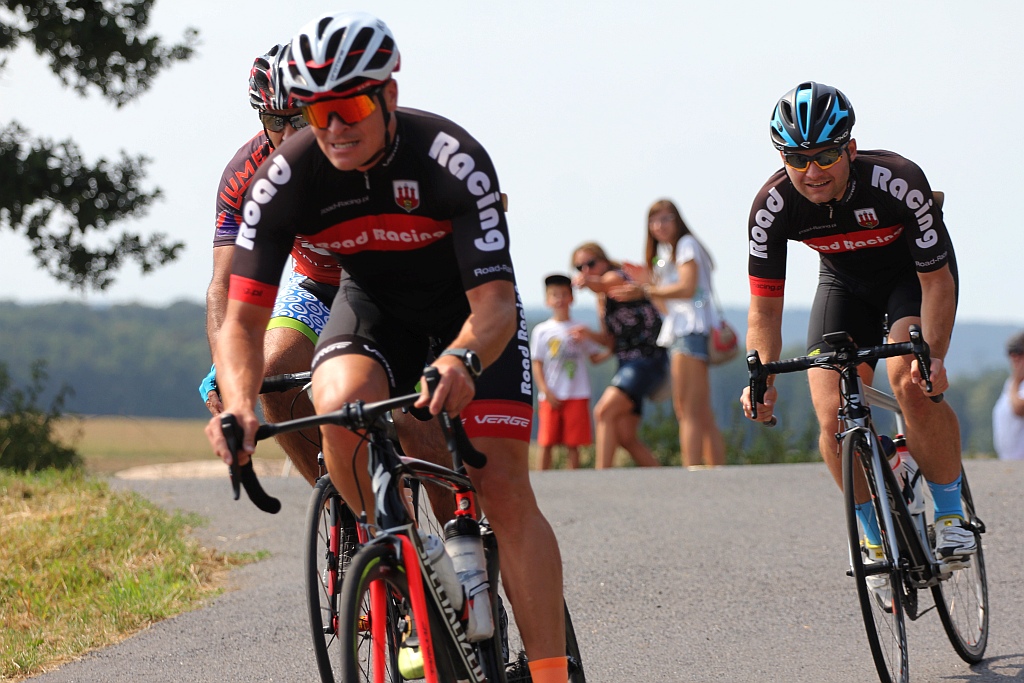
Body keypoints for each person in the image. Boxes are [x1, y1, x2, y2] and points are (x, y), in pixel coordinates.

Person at [203, 13, 568, 683]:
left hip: (464, 310)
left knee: (504, 491)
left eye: (348, 109)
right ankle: (411, 557)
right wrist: (238, 401)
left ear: (388, 96)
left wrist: (461, 357)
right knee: (339, 407)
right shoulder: (282, 177)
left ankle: (549, 671)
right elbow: (241, 317)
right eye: (317, 113)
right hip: (371, 303)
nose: (332, 128)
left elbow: (493, 305)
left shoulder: (449, 156)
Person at [740, 82, 975, 606]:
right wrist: (761, 376)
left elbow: (937, 283)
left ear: (849, 148)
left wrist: (934, 357)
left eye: (825, 155)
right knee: (833, 418)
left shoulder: (897, 180)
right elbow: (764, 310)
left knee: (909, 381)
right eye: (796, 159)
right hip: (843, 286)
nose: (812, 171)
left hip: (910, 280)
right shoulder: (772, 205)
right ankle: (873, 536)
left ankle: (951, 512)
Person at [200, 44, 340, 484]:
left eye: (300, 118)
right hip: (315, 284)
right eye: (274, 121)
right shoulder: (245, 174)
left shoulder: (355, 149)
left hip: (388, 285)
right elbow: (224, 284)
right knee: (272, 375)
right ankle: (340, 499)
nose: (287, 133)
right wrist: (227, 368)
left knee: (417, 424)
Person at [611, 199, 726, 468]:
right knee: (700, 409)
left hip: (689, 330)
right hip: (684, 330)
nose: (659, 226)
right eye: (654, 221)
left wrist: (645, 289)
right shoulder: (669, 253)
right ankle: (716, 469)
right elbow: (667, 305)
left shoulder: (686, 245)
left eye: (666, 219)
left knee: (687, 408)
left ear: (677, 221)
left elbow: (686, 288)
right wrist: (648, 284)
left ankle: (692, 468)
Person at [572, 242, 667, 469]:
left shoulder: (617, 278)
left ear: (604, 261)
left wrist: (587, 282)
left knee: (604, 412)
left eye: (590, 264)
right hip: (627, 364)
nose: (586, 271)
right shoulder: (601, 300)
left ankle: (601, 477)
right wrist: (589, 336)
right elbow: (610, 341)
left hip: (646, 360)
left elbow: (603, 283)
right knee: (626, 435)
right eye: (579, 268)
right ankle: (663, 479)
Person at [530, 274, 606, 470]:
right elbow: (537, 363)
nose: (560, 299)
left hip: (577, 392)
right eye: (555, 295)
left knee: (573, 443)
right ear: (547, 300)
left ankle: (574, 480)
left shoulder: (581, 329)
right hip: (551, 394)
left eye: (564, 294)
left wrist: (613, 350)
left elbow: (595, 357)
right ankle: (541, 480)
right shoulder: (541, 331)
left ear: (572, 298)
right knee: (546, 441)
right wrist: (545, 390)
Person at [992, 331, 1024, 460]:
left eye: (1020, 353)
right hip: (1009, 460)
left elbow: (1019, 408)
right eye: (1011, 353)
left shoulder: (1015, 382)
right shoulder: (1012, 382)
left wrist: (1016, 381)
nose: (1015, 358)